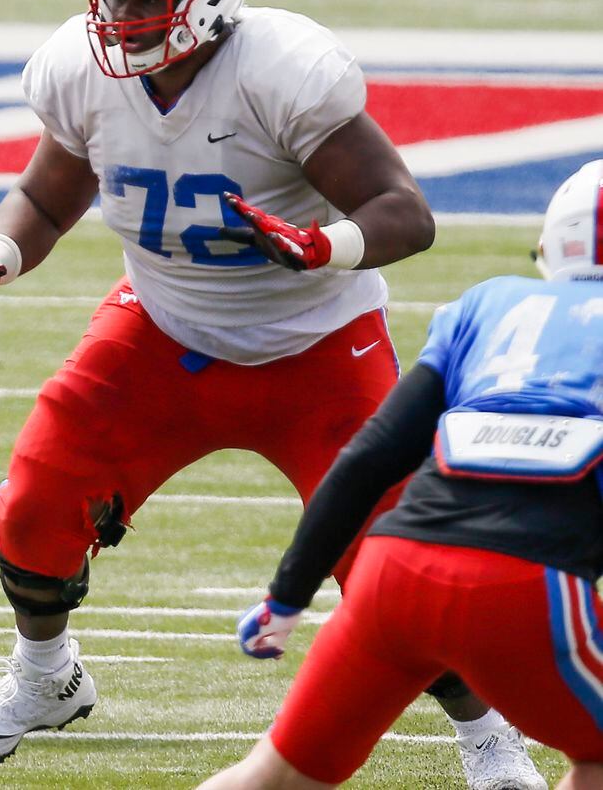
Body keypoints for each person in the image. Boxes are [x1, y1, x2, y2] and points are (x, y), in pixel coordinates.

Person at [0, 0, 542, 788]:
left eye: (140, 2)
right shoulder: (81, 71)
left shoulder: (278, 70)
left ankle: (486, 733)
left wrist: (324, 245)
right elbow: (48, 198)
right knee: (34, 506)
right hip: (164, 333)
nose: (116, 22)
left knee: (393, 562)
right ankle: (46, 681)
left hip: (318, 346)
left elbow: (405, 212)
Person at [199, 161, 603, 790]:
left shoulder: (489, 304)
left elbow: (369, 458)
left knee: (273, 775)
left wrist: (288, 596)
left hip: (395, 572)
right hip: (525, 586)